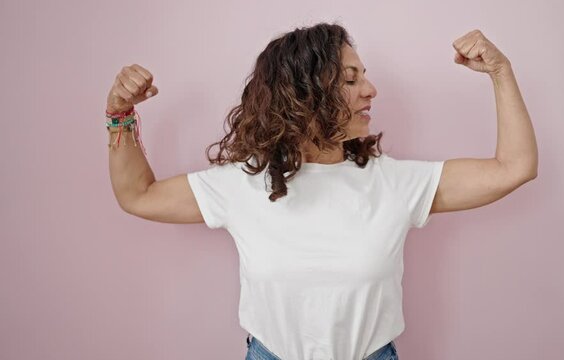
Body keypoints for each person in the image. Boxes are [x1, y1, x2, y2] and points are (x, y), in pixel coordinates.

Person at [105, 22, 537, 360]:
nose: (370, 89)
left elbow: (513, 168)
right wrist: (119, 113)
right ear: (302, 95)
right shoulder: (243, 184)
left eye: (364, 76)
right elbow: (138, 194)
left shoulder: (395, 183)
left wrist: (501, 72)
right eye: (350, 80)